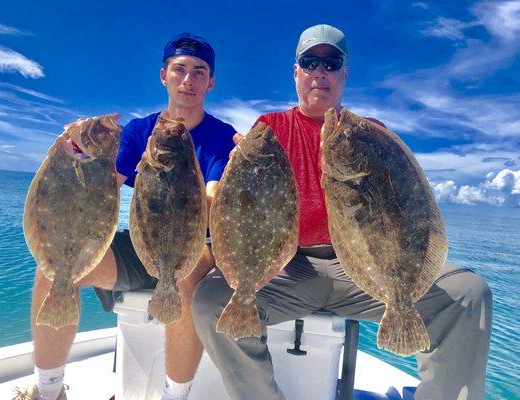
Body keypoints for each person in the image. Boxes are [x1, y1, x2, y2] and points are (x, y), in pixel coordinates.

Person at [192, 24, 492, 400]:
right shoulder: (270, 129)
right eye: (310, 62)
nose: (320, 72)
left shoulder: (370, 133)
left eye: (331, 63)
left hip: (366, 269)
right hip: (289, 267)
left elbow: (406, 209)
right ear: (297, 72)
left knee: (469, 292)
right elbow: (244, 209)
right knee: (210, 301)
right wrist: (237, 171)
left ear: (344, 73)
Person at [19, 33, 236, 400]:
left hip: (189, 248)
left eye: (199, 72)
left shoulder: (221, 136)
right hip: (142, 243)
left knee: (188, 274)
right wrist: (75, 155)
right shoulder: (138, 131)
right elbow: (104, 189)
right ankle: (48, 390)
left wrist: (169, 178)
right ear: (163, 76)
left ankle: (174, 395)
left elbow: (212, 199)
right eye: (179, 70)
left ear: (211, 82)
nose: (188, 80)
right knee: (56, 268)